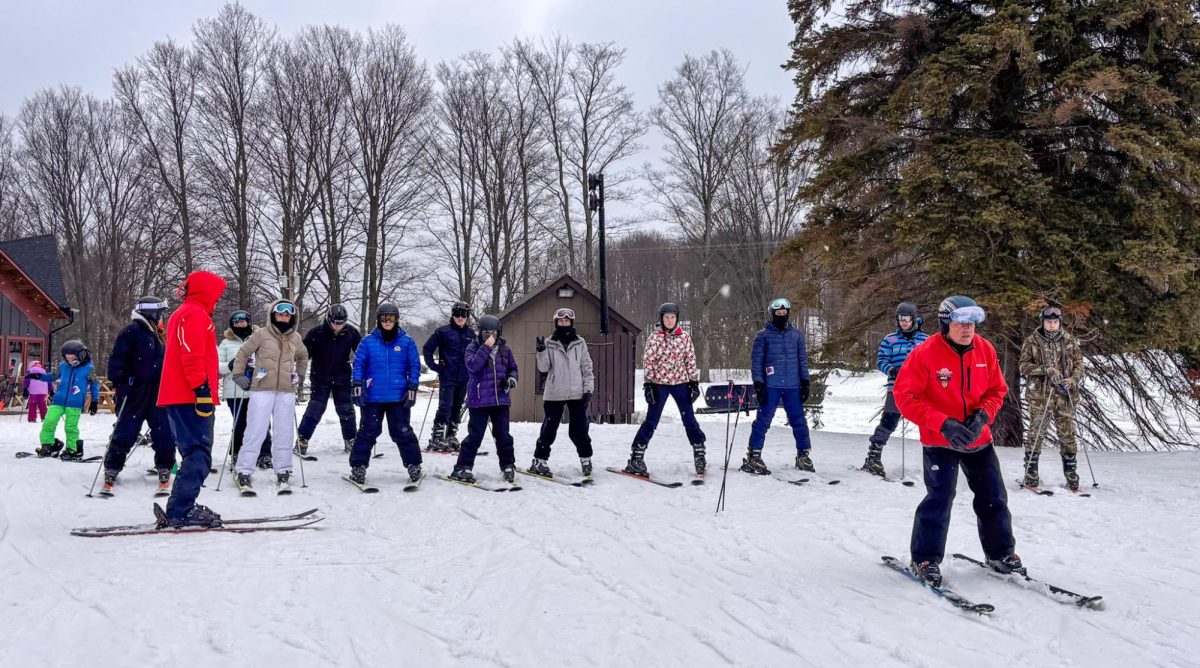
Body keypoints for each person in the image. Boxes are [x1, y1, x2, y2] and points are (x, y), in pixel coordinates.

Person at [893, 295, 1024, 587]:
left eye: (972, 322)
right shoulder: (925, 353)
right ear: (945, 323)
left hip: (979, 439)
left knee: (993, 497)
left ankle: (1001, 554)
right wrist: (942, 423)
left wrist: (982, 417)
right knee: (939, 499)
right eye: (961, 322)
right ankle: (925, 559)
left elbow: (997, 391)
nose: (968, 329)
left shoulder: (985, 350)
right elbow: (905, 397)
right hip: (940, 442)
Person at [157, 270, 227, 528]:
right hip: (190, 395)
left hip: (182, 395)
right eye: (216, 295)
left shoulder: (186, 313)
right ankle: (181, 510)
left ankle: (180, 507)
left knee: (193, 452)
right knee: (198, 453)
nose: (217, 300)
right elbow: (192, 355)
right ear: (205, 292)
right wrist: (202, 391)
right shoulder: (194, 314)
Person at [230, 299, 309, 493]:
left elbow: (303, 356)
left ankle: (283, 470)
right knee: (256, 430)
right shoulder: (260, 334)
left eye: (287, 314)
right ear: (273, 315)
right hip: (262, 389)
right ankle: (244, 470)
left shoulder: (295, 338)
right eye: (280, 313)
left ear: (292, 317)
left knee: (284, 432)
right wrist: (238, 375)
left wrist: (299, 375)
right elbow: (242, 353)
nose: (283, 317)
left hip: (286, 391)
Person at [101, 296, 176, 494]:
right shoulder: (132, 331)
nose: (162, 316)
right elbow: (117, 360)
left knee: (164, 431)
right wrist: (122, 383)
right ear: (151, 312)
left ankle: (165, 466)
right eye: (159, 312)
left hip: (157, 392)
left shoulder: (157, 333)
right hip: (135, 391)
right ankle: (112, 467)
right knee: (126, 431)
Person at [623, 303, 705, 478]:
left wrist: (694, 382)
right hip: (659, 384)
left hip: (682, 383)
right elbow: (648, 361)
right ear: (661, 319)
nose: (669, 320)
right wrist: (648, 384)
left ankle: (699, 452)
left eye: (673, 317)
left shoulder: (684, 337)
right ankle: (636, 457)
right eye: (666, 317)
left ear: (677, 319)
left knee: (689, 419)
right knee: (652, 420)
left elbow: (690, 359)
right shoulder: (655, 337)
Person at [346, 303, 423, 487]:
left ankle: (414, 465)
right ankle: (358, 466)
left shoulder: (407, 341)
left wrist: (412, 386)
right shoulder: (367, 341)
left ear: (396, 319)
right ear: (379, 320)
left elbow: (414, 366)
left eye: (391, 318)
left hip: (398, 397)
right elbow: (359, 365)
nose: (387, 322)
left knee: (402, 431)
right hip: (373, 397)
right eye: (384, 318)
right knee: (367, 432)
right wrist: (357, 383)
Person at [1018, 304, 1085, 491]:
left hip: (1065, 395)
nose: (1052, 325)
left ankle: (1071, 474)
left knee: (1068, 434)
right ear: (1043, 322)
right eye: (1049, 322)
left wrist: (1073, 379)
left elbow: (1079, 365)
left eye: (1055, 322)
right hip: (1040, 395)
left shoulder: (1069, 340)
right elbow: (1023, 366)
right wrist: (1045, 370)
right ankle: (1031, 473)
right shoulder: (1032, 341)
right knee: (1036, 433)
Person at [743, 298, 812, 475]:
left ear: (788, 313)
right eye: (778, 313)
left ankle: (803, 455)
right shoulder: (763, 336)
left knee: (799, 422)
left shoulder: (796, 336)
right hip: (771, 386)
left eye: (784, 313)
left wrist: (805, 382)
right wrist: (758, 384)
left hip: (793, 385)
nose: (781, 316)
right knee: (763, 421)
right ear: (772, 314)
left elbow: (802, 360)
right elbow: (756, 362)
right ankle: (754, 455)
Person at [450, 314, 518, 483]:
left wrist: (511, 379)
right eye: (486, 333)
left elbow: (513, 368)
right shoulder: (472, 348)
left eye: (493, 333)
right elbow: (473, 366)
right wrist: (485, 348)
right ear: (480, 333)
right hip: (479, 401)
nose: (490, 336)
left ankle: (508, 464)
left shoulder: (505, 349)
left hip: (500, 400)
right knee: (475, 436)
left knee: (503, 435)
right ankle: (463, 467)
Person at [865, 302, 929, 476]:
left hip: (919, 389)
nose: (904, 322)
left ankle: (936, 459)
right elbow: (881, 360)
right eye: (901, 319)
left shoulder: (925, 340)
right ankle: (873, 457)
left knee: (929, 422)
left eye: (907, 319)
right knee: (889, 420)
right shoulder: (890, 339)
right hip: (897, 387)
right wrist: (892, 370)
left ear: (914, 319)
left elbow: (932, 362)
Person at [530, 307, 595, 479]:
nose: (564, 323)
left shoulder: (580, 343)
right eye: (561, 321)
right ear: (556, 322)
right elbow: (544, 368)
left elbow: (587, 367)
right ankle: (540, 460)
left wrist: (588, 388)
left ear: (571, 323)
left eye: (567, 321)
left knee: (579, 430)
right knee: (549, 428)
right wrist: (541, 351)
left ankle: (586, 458)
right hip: (555, 392)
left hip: (577, 392)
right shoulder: (550, 342)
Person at [297, 304, 361, 455]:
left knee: (346, 409)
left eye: (341, 323)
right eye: (335, 322)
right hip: (320, 377)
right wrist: (297, 368)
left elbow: (361, 353)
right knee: (315, 409)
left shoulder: (351, 332)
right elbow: (304, 355)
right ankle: (302, 438)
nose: (338, 326)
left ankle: (350, 439)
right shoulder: (316, 333)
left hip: (343, 377)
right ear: (328, 319)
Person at [217, 310, 273, 469]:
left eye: (243, 320)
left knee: (261, 422)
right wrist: (231, 365)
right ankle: (236, 453)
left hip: (257, 388)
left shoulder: (259, 339)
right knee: (240, 422)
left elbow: (268, 361)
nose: (240, 323)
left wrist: (258, 371)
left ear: (249, 321)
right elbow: (218, 367)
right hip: (234, 390)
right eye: (236, 321)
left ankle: (264, 454)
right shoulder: (226, 343)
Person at [31, 340, 101, 461]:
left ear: (81, 354)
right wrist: (40, 377)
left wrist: (95, 401)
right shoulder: (63, 366)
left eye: (71, 356)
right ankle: (49, 445)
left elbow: (95, 384)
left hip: (75, 404)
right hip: (58, 400)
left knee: (70, 427)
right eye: (66, 356)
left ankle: (72, 449)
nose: (69, 358)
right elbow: (53, 376)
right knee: (49, 422)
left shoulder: (89, 368)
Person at [422, 301, 474, 452]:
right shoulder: (442, 332)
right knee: (445, 407)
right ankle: (437, 437)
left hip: (464, 377)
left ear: (467, 317)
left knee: (457, 408)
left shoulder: (471, 335)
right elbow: (427, 349)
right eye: (457, 314)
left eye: (463, 314)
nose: (460, 317)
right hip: (448, 376)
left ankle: (451, 435)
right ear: (452, 315)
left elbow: (477, 354)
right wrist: (435, 367)